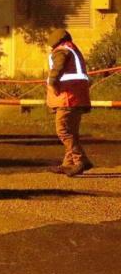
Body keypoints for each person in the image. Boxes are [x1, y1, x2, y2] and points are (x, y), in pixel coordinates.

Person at [46, 29, 94, 176]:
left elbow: (57, 70)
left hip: (67, 97)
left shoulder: (61, 51)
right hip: (77, 97)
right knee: (71, 132)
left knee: (63, 130)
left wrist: (53, 83)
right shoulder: (73, 50)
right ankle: (68, 164)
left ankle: (81, 161)